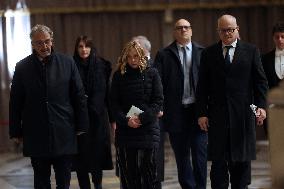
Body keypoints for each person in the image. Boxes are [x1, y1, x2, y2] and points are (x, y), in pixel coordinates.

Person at [9, 24, 89, 189]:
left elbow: (78, 96)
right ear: (32, 44)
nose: (44, 46)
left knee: (63, 180)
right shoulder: (22, 67)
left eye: (47, 41)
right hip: (36, 133)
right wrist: (16, 131)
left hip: (64, 131)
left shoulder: (67, 62)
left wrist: (82, 125)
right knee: (40, 180)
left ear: (52, 41)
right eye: (39, 43)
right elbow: (15, 102)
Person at [196, 14, 268, 189]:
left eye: (230, 29)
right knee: (218, 169)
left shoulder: (251, 51)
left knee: (241, 168)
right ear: (218, 31)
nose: (227, 33)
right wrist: (202, 113)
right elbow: (202, 87)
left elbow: (260, 82)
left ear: (237, 30)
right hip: (217, 117)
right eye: (223, 30)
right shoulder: (208, 53)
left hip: (243, 117)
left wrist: (262, 108)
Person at [154, 18, 207, 189]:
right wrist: (160, 108)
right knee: (182, 157)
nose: (183, 30)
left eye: (186, 27)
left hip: (198, 112)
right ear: (174, 32)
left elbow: (209, 83)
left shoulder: (202, 52)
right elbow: (157, 84)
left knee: (200, 155)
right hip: (176, 113)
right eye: (179, 28)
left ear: (191, 30)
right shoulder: (164, 54)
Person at [110, 40, 163, 189]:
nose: (133, 60)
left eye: (136, 56)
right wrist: (126, 120)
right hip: (126, 131)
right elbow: (114, 104)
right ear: (125, 57)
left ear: (142, 56)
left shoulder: (152, 73)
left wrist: (142, 118)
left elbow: (158, 101)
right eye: (129, 57)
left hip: (148, 129)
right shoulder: (119, 76)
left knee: (149, 174)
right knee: (129, 175)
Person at [72, 36, 113, 189]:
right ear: (76, 49)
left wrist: (113, 120)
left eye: (87, 46)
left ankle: (98, 185)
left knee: (97, 155)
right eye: (81, 46)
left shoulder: (102, 65)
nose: (84, 50)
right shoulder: (71, 65)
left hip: (98, 118)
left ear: (92, 48)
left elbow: (107, 93)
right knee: (81, 157)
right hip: (78, 119)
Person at [262, 22, 284, 89]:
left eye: (283, 37)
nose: (280, 39)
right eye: (277, 37)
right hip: (273, 98)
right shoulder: (265, 58)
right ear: (273, 38)